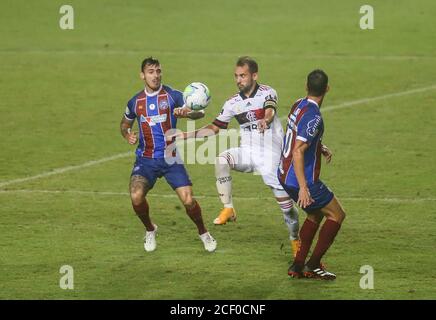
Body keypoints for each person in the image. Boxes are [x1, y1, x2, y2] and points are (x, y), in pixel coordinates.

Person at [177, 56, 300, 257]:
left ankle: (296, 240)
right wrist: (185, 135)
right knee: (222, 160)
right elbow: (215, 128)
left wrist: (265, 121)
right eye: (236, 76)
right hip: (248, 153)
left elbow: (269, 111)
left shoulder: (268, 92)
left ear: (254, 75)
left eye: (243, 76)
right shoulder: (232, 103)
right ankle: (228, 208)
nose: (239, 80)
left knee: (288, 210)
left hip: (272, 159)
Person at [119, 57, 217, 253]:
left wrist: (186, 113)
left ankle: (203, 233)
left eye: (158, 71)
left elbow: (200, 113)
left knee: (188, 200)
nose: (155, 75)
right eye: (151, 72)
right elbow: (124, 124)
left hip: (171, 158)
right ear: (142, 75)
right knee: (136, 196)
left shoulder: (173, 96)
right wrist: (128, 135)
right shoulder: (135, 102)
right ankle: (150, 229)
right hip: (146, 160)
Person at [278, 69, 346, 280]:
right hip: (300, 180)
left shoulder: (299, 104)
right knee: (337, 215)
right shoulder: (314, 116)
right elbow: (298, 150)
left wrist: (319, 145)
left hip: (283, 173)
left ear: (306, 87)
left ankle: (297, 266)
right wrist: (304, 188)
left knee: (315, 214)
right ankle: (313, 265)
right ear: (327, 89)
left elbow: (296, 134)